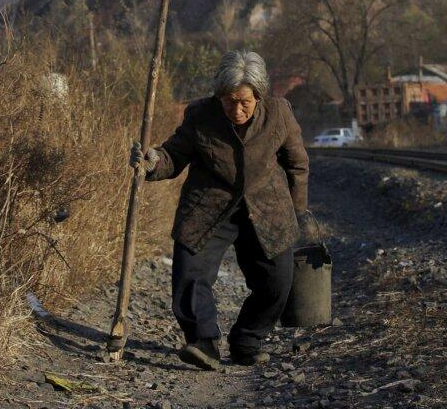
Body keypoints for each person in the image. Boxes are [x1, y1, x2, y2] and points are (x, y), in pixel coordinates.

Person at [130, 50, 319, 370]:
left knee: (276, 283)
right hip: (209, 204)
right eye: (230, 101)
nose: (237, 109)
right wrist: (152, 162)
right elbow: (174, 156)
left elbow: (297, 164)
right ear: (219, 95)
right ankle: (203, 341)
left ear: (259, 96)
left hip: (266, 206)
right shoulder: (200, 115)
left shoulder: (279, 114)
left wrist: (298, 211)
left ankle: (247, 340)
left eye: (245, 102)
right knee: (190, 273)